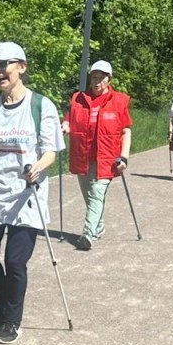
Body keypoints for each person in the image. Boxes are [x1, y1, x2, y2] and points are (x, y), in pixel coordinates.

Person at [0, 41, 62, 344]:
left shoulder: (41, 105)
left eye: (4, 65)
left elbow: (51, 152)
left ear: (22, 67)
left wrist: (37, 167)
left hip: (25, 196)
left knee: (16, 262)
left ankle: (12, 320)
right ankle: (6, 302)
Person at [61, 59, 132, 251]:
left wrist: (124, 157)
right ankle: (98, 226)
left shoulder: (119, 101)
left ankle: (88, 234)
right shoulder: (78, 98)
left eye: (102, 78)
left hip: (107, 159)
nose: (97, 81)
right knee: (90, 196)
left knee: (95, 195)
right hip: (82, 157)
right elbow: (69, 119)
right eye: (94, 77)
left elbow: (126, 131)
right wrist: (65, 126)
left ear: (109, 79)